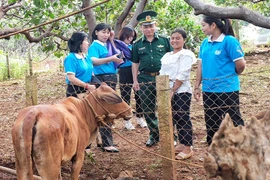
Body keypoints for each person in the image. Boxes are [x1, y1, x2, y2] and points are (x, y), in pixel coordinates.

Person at [194, 16, 246, 145]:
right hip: (208, 89)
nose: (202, 28)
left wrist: (231, 75)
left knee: (234, 119)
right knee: (211, 121)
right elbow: (200, 66)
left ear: (213, 25)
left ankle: (244, 145)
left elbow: (241, 64)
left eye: (203, 25)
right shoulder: (205, 43)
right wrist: (196, 86)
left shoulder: (229, 41)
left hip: (227, 88)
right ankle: (214, 146)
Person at [131, 10, 172, 147]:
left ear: (155, 25)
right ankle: (154, 135)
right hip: (144, 78)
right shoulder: (137, 45)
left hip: (163, 78)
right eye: (145, 26)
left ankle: (171, 135)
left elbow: (172, 58)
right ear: (141, 28)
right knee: (147, 109)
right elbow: (135, 63)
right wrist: (135, 81)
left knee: (166, 109)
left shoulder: (165, 41)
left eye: (151, 26)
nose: (148, 29)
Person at [160, 28, 196, 160]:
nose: (174, 40)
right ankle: (182, 143)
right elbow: (162, 73)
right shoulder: (167, 55)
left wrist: (173, 90)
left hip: (181, 90)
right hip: (166, 90)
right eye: (172, 38)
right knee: (174, 117)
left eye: (178, 38)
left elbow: (183, 73)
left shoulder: (186, 54)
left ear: (184, 40)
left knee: (182, 116)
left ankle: (188, 147)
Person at [88, 23, 123, 153]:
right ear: (96, 32)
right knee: (101, 110)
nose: (106, 35)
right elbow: (92, 60)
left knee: (108, 110)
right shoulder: (95, 46)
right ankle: (100, 143)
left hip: (111, 76)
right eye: (103, 32)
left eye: (108, 32)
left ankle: (106, 141)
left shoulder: (107, 44)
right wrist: (111, 59)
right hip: (101, 77)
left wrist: (112, 40)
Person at [116, 26, 147, 130]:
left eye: (133, 36)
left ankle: (140, 117)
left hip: (135, 69)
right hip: (124, 71)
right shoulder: (117, 45)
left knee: (139, 94)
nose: (131, 38)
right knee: (125, 95)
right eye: (129, 36)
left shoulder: (134, 46)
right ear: (124, 35)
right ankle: (127, 120)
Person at [64, 31, 96, 98]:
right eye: (86, 41)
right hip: (75, 91)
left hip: (87, 89)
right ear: (79, 43)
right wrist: (86, 86)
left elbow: (92, 74)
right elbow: (71, 78)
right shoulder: (71, 58)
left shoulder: (87, 57)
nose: (88, 43)